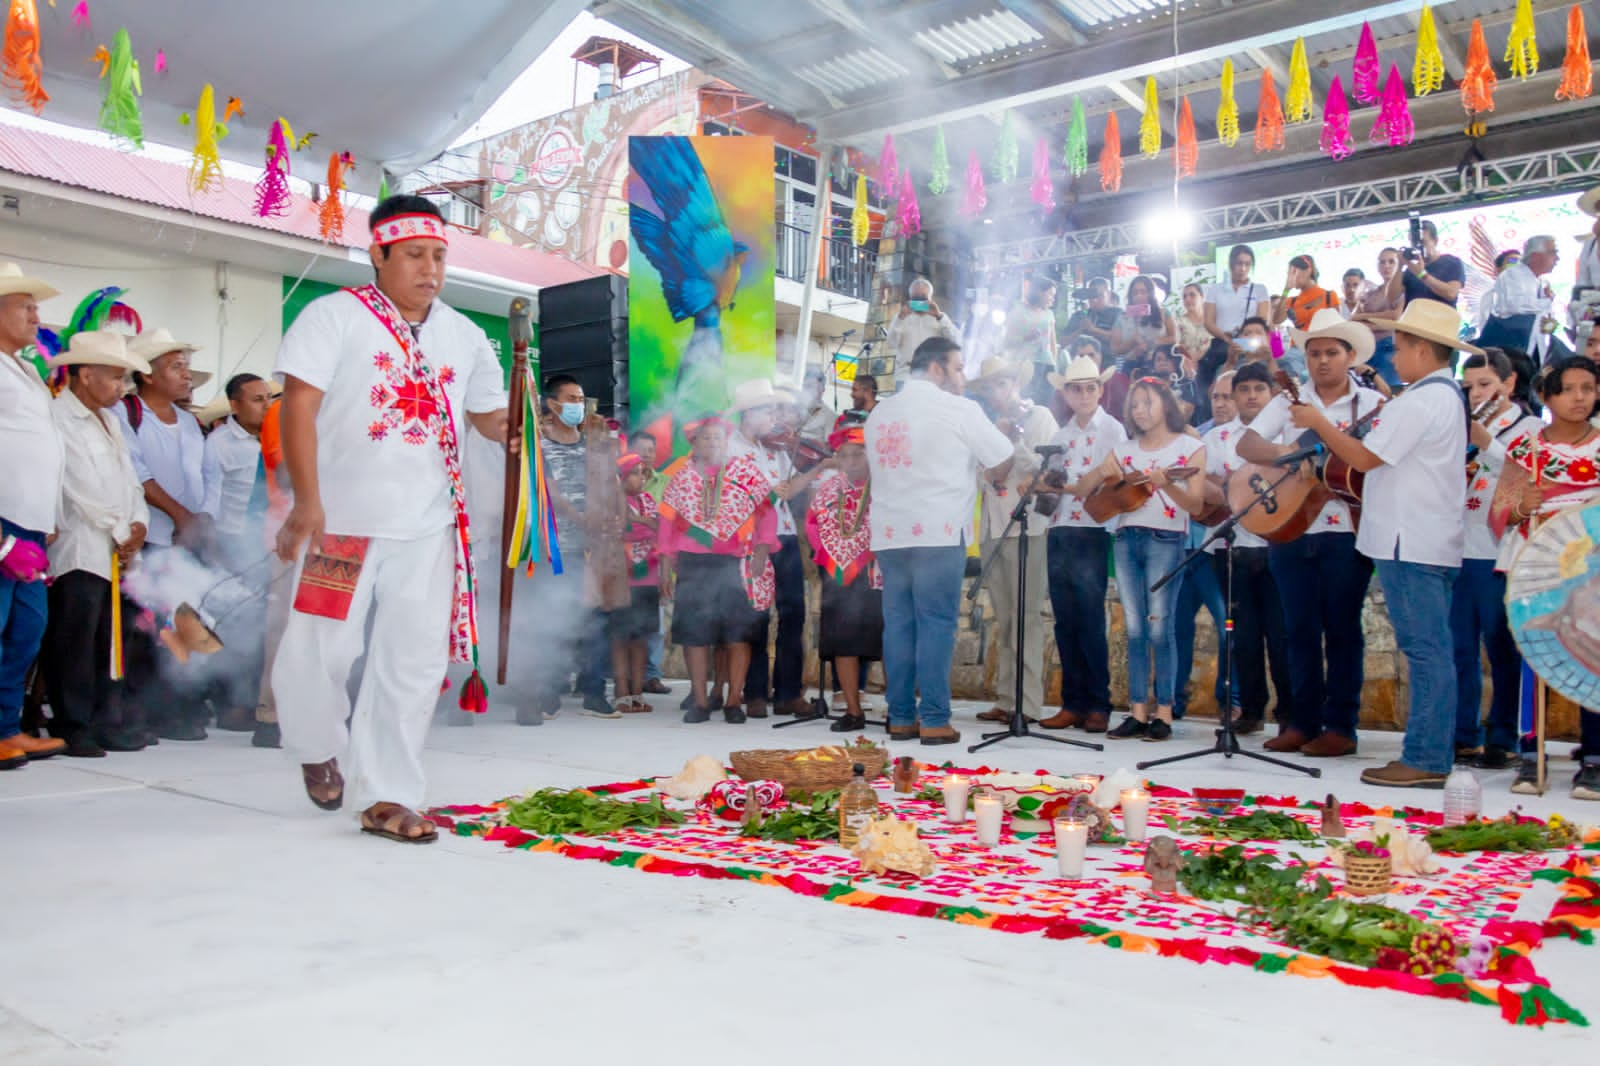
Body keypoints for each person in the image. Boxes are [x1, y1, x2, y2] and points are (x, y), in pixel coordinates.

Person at [272, 195, 510, 844]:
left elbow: (487, 415)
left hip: (430, 527)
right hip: (341, 524)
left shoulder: (464, 334)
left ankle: (387, 795)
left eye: (438, 256)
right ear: (378, 254)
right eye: (413, 255)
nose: (430, 269)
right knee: (321, 651)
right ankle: (317, 742)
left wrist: (516, 428)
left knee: (410, 662)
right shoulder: (333, 317)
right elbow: (298, 405)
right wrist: (308, 501)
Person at [1290, 301, 1474, 788]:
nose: (1394, 357)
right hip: (1417, 537)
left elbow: (1365, 458)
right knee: (1429, 648)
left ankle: (1427, 757)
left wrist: (1318, 422)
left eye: (1399, 347)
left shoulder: (1422, 400)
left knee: (1426, 649)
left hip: (1410, 540)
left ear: (1421, 349)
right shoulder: (1438, 397)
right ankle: (1427, 753)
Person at [1236, 309, 1384, 758]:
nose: (1322, 361)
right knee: (1296, 630)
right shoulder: (1287, 401)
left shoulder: (1374, 405)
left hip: (1346, 531)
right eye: (1315, 352)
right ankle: (1302, 721)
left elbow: (1375, 461)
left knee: (1342, 630)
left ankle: (1341, 726)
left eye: (1331, 353)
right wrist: (1287, 451)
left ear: (1350, 356)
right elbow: (1247, 445)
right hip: (1291, 528)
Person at [866, 336, 1013, 746]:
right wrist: (999, 437)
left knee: (898, 624)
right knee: (935, 624)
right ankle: (933, 718)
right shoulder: (959, 409)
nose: (963, 376)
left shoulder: (880, 413)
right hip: (936, 531)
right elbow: (1001, 460)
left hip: (891, 534)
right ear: (936, 369)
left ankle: (899, 716)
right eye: (959, 367)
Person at [1490, 356, 1600, 799]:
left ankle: (1594, 757)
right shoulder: (1526, 450)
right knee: (1532, 657)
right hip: (1534, 568)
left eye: (1588, 388)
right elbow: (1498, 515)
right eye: (1569, 389)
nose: (1580, 397)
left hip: (1590, 572)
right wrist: (1521, 506)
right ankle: (1530, 751)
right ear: (1546, 395)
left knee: (1592, 659)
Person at [1075, 377, 1209, 741]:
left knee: (1159, 626)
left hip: (1166, 538)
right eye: (1134, 404)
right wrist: (1102, 473)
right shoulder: (1124, 449)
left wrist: (1168, 485)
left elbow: (1196, 506)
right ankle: (1136, 710)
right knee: (1134, 629)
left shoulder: (1190, 446)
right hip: (1125, 537)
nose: (1140, 411)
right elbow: (1085, 490)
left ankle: (1163, 712)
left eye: (1147, 402)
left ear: (1166, 404)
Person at [39, 331, 152, 757]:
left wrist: (138, 524)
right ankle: (72, 724)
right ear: (85, 375)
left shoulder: (111, 420)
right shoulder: (59, 417)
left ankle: (106, 720)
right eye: (114, 377)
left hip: (115, 547)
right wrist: (121, 530)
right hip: (82, 548)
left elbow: (129, 482)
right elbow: (77, 488)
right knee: (75, 639)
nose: (122, 388)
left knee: (109, 640)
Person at [114, 327, 212, 741]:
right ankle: (142, 710)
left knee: (186, 624)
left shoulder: (190, 423)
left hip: (186, 539)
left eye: (186, 367)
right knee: (143, 627)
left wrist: (201, 519)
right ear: (148, 375)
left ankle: (183, 705)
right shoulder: (127, 414)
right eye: (176, 367)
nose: (186, 374)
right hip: (151, 535)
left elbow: (208, 477)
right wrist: (180, 516)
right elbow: (138, 474)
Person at [1453, 350, 1541, 769]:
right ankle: (1460, 734)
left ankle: (1504, 735)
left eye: (1485, 385)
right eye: (1468, 387)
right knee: (1458, 648)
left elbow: (1527, 476)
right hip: (1455, 547)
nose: (1476, 394)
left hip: (1498, 551)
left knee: (1502, 647)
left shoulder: (1532, 427)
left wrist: (1486, 443)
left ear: (1508, 385)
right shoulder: (1457, 425)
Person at [658, 416, 777, 724]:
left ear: (726, 442)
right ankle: (699, 700)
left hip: (736, 564)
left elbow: (766, 512)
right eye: (705, 438)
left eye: (718, 438)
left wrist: (762, 548)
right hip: (694, 564)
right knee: (695, 635)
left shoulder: (745, 473)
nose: (712, 443)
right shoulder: (681, 478)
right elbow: (667, 525)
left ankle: (734, 699)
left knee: (738, 635)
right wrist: (666, 563)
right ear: (694, 444)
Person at [729, 378, 832, 717]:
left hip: (785, 535)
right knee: (755, 615)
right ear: (749, 413)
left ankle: (788, 692)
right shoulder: (731, 449)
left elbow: (790, 489)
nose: (775, 416)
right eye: (768, 409)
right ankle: (755, 691)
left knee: (793, 613)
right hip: (751, 541)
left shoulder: (773, 446)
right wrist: (809, 472)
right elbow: (763, 496)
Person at [1203, 362, 1294, 734]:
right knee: (1243, 634)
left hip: (1279, 546)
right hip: (1234, 548)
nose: (1252, 395)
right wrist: (1228, 487)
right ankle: (1251, 710)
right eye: (1244, 389)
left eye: (1260, 388)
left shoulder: (1287, 435)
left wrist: (1234, 482)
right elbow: (1209, 487)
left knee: (1282, 635)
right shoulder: (1217, 438)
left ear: (1271, 393)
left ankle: (1291, 715)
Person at [0, 263, 66, 770]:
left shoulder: (22, 369)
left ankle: (5, 729)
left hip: (30, 524)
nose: (35, 315)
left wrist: (48, 513)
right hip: (3, 523)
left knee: (26, 629)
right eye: (25, 305)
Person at [1038, 355, 1125, 732]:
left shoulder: (1114, 431)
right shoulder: (1060, 436)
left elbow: (1114, 480)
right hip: (1060, 528)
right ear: (1067, 394)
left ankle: (1098, 703)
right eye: (1076, 388)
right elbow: (1051, 489)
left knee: (1090, 619)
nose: (1084, 394)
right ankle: (1072, 702)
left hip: (1091, 529)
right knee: (1065, 620)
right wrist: (1045, 487)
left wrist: (1072, 484)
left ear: (1100, 390)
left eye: (1091, 387)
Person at [969, 358, 1058, 728]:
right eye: (991, 386)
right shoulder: (983, 425)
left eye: (1003, 382)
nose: (998, 391)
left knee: (1027, 618)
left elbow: (1044, 470)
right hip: (993, 526)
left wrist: (1014, 439)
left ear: (1016, 383)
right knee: (1006, 618)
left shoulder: (1040, 418)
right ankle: (1007, 699)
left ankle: (1029, 704)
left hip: (1028, 529)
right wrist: (998, 442)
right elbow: (981, 474)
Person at [528, 373, 615, 720]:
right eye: (571, 399)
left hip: (592, 547)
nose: (578, 406)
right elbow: (551, 493)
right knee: (554, 619)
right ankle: (548, 692)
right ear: (552, 404)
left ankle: (595, 691)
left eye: (581, 399)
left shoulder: (593, 445)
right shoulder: (540, 446)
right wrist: (581, 518)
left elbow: (609, 486)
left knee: (596, 619)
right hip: (556, 547)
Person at [200, 372, 274, 732]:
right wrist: (217, 552)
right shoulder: (219, 443)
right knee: (236, 628)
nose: (266, 405)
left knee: (264, 630)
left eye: (267, 398)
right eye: (257, 399)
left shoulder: (277, 436)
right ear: (235, 405)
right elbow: (210, 502)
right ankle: (232, 704)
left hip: (271, 546)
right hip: (233, 545)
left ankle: (254, 702)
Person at [806, 419, 882, 733]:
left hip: (877, 572)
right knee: (843, 642)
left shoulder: (884, 486)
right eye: (846, 456)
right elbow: (814, 524)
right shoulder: (829, 487)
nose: (851, 462)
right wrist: (829, 556)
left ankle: (901, 711)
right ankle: (852, 710)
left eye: (858, 455)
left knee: (888, 642)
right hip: (838, 573)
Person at [1173, 374, 1235, 723]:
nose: (1222, 403)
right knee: (1177, 627)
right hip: (1187, 546)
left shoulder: (1240, 440)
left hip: (1219, 549)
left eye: (1228, 396)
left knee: (1228, 624)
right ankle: (1172, 699)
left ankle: (1231, 699)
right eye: (1216, 397)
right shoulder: (1202, 439)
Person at [608, 453, 659, 714]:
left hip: (648, 576)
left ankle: (637, 692)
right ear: (621, 477)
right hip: (622, 578)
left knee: (640, 637)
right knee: (620, 636)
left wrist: (638, 522)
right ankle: (621, 692)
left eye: (642, 473)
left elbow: (657, 528)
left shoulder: (647, 500)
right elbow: (622, 530)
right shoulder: (615, 503)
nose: (641, 478)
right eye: (635, 473)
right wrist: (641, 524)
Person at [630, 433, 671, 696]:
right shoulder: (620, 481)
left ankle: (651, 674)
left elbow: (667, 524)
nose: (646, 454)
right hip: (623, 564)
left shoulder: (666, 483)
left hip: (656, 562)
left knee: (654, 622)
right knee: (622, 624)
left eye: (650, 450)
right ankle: (624, 679)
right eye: (640, 449)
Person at [1476, 235, 1559, 355]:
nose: (1557, 258)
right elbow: (1516, 306)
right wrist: (1546, 301)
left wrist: (1550, 324)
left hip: (1534, 347)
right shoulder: (1513, 275)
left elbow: (1545, 319)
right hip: (1507, 348)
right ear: (1535, 256)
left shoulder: (1543, 282)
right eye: (1552, 253)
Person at [1203, 245, 1271, 360]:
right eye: (1239, 263)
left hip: (1250, 343)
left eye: (1247, 264)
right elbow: (1209, 322)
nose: (1243, 268)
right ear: (1231, 263)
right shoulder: (1215, 289)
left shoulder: (1259, 289)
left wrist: (1246, 334)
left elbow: (1263, 320)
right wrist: (1225, 337)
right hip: (1222, 343)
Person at [1382, 219, 1466, 311]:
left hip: (1442, 322)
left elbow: (1451, 293)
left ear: (1435, 241)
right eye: (1413, 243)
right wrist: (1399, 267)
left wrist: (1422, 275)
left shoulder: (1451, 262)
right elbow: (1391, 298)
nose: (1418, 247)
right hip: (1414, 322)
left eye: (1422, 242)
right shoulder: (1411, 269)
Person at [1001, 275, 1060, 403]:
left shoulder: (1049, 314)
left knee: (1045, 404)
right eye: (1050, 294)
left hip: (1047, 366)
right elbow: (1007, 341)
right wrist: (1025, 338)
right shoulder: (1018, 311)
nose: (1053, 299)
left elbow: (1053, 343)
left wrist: (1054, 364)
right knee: (1026, 402)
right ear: (1039, 291)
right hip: (1025, 366)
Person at [1350, 248, 1404, 388]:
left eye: (1391, 262)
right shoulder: (1372, 291)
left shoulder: (1404, 289)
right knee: (1369, 395)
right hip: (1368, 350)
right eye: (1382, 262)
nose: (1386, 266)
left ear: (1399, 264)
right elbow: (1354, 318)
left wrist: (1365, 318)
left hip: (1389, 347)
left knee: (1389, 391)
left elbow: (1396, 317)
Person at [885, 277, 961, 368]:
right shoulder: (901, 318)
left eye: (923, 298)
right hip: (906, 372)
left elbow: (957, 342)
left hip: (933, 373)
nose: (919, 302)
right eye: (916, 298)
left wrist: (939, 317)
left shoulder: (940, 318)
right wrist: (900, 318)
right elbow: (891, 344)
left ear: (931, 298)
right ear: (910, 298)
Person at [1110, 275, 1175, 364]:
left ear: (1151, 293)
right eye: (1135, 292)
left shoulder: (1163, 313)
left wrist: (1154, 342)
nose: (1139, 296)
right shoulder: (1122, 318)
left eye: (1143, 292)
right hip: (1131, 364)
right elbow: (1114, 349)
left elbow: (1174, 338)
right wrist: (1132, 342)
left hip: (1158, 364)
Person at [1270, 255, 1339, 331]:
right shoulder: (1292, 301)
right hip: (1299, 341)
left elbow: (1337, 327)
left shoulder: (1329, 296)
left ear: (1308, 271)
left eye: (1294, 272)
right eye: (1288, 273)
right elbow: (1277, 320)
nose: (1290, 276)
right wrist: (1286, 290)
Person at [1063, 277, 1119, 352]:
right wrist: (1080, 330)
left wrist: (1093, 330)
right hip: (1082, 361)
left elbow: (1121, 340)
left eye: (1100, 295)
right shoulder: (1079, 315)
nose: (1094, 300)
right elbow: (1063, 343)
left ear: (1109, 294)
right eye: (1091, 295)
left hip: (1109, 362)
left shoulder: (1117, 313)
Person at [1174, 283, 1211, 374]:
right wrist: (1189, 364)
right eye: (1184, 297)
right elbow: (1177, 346)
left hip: (1212, 364)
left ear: (1202, 297)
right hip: (1187, 369)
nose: (1188, 299)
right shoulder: (1178, 322)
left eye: (1192, 295)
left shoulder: (1213, 321)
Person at [797, 365, 837, 445]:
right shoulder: (795, 408)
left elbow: (828, 446)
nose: (811, 391)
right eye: (807, 386)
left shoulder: (830, 416)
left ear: (823, 389)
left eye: (816, 387)